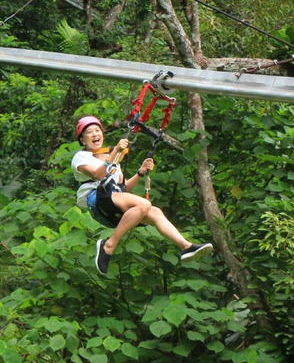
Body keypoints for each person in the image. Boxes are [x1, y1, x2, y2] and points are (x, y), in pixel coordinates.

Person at [71, 115, 213, 275]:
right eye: (89, 132)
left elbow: (123, 187)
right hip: (96, 198)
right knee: (144, 204)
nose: (95, 134)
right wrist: (116, 152)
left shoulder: (111, 157)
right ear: (83, 140)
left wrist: (140, 172)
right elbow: (98, 174)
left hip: (112, 198)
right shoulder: (81, 157)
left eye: (97, 130)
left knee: (155, 212)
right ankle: (109, 245)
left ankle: (186, 247)